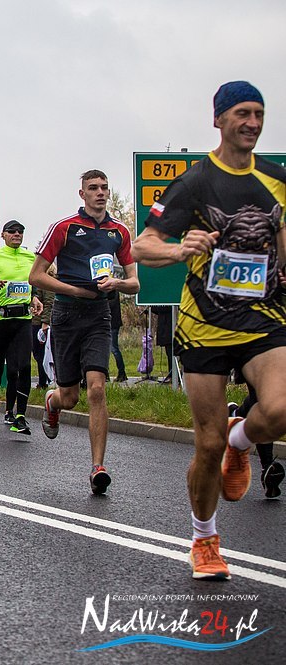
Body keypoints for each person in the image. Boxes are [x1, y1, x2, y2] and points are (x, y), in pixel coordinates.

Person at [132, 81, 286, 579]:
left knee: (281, 408)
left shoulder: (277, 179)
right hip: (205, 325)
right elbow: (142, 246)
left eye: (259, 113)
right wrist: (180, 249)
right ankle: (204, 538)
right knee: (207, 443)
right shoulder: (195, 183)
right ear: (218, 119)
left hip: (264, 317)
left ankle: (243, 440)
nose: (253, 122)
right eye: (242, 113)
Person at [31, 170, 139, 493]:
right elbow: (36, 275)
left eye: (104, 187)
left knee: (97, 390)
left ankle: (97, 468)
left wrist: (117, 283)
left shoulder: (119, 232)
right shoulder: (64, 227)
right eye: (93, 188)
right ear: (82, 194)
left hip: (98, 315)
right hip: (66, 314)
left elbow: (135, 283)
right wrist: (74, 290)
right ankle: (52, 403)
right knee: (70, 397)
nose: (100, 192)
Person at [0, 220, 43, 437]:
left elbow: (34, 281)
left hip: (23, 319)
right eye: (12, 231)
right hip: (1, 320)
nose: (17, 234)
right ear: (3, 235)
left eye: (20, 231)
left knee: (24, 366)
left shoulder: (29, 257)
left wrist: (34, 297)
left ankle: (20, 416)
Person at [107, 290, 128, 382]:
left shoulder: (112, 291)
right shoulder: (113, 290)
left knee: (114, 348)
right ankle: (106, 373)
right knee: (109, 349)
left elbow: (110, 305)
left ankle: (122, 372)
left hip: (112, 323)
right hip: (112, 322)